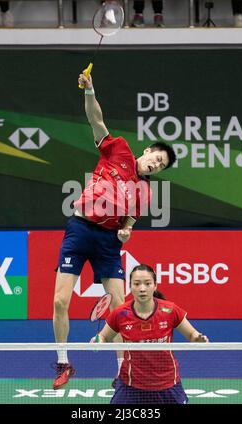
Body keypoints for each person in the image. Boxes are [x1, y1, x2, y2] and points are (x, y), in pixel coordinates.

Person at [52, 73, 177, 390]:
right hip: (80, 229)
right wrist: (89, 89)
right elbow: (96, 119)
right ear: (147, 150)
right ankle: (64, 363)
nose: (155, 165)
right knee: (59, 302)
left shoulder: (145, 194)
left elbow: (129, 225)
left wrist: (125, 233)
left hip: (107, 242)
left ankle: (123, 368)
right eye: (156, 158)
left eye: (160, 166)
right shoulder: (117, 149)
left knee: (122, 307)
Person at [91, 264, 209, 404]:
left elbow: (192, 334)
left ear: (155, 285)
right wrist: (98, 340)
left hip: (167, 383)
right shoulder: (120, 313)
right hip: (131, 384)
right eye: (137, 284)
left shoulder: (170, 310)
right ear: (130, 286)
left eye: (147, 284)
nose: (142, 289)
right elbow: (104, 336)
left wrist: (197, 338)